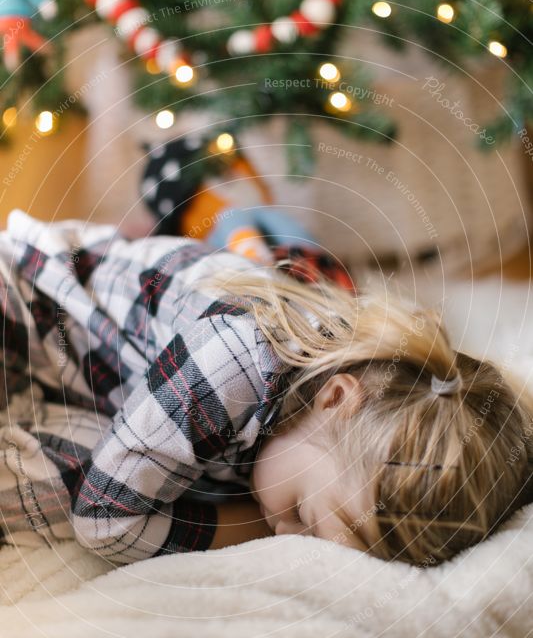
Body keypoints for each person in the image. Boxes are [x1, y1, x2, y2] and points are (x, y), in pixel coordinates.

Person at [1, 208, 531, 568]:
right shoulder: (239, 357)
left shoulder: (331, 410)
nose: (285, 543)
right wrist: (249, 526)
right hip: (27, 292)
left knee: (40, 489)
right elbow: (103, 523)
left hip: (78, 376)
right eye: (303, 515)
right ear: (336, 398)